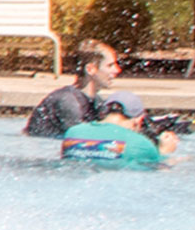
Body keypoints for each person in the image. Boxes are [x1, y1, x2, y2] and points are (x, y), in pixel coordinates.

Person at [24, 40, 181, 157]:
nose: (117, 70)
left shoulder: (95, 100)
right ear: (91, 69)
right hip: (41, 151)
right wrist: (160, 153)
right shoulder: (68, 101)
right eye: (110, 65)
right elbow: (88, 142)